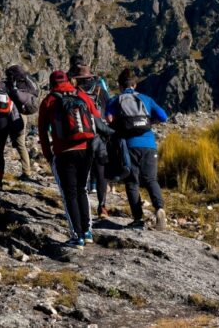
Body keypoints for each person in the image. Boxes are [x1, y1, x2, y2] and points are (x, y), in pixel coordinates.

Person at [38, 70, 101, 248]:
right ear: (68, 80)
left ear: (51, 83)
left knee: (69, 194)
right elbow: (96, 116)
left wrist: (49, 156)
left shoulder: (48, 101)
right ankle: (87, 232)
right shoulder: (80, 94)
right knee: (81, 189)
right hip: (86, 149)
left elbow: (43, 132)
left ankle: (77, 236)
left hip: (64, 152)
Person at [106, 68, 168, 230]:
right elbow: (163, 116)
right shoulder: (146, 99)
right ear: (134, 84)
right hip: (149, 145)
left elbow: (108, 119)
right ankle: (159, 208)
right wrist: (148, 122)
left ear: (120, 85)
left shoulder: (115, 100)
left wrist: (119, 125)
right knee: (151, 179)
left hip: (129, 146)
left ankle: (138, 219)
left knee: (132, 182)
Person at [69, 64, 112, 219]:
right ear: (91, 77)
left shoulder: (74, 94)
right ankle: (102, 206)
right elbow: (109, 113)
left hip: (80, 139)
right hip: (100, 136)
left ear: (77, 80)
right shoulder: (101, 92)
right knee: (101, 172)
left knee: (81, 174)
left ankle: (81, 210)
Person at [4, 65, 39, 179]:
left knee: (20, 144)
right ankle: (26, 170)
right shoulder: (24, 84)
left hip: (15, 115)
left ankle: (27, 172)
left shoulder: (13, 85)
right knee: (19, 143)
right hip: (22, 114)